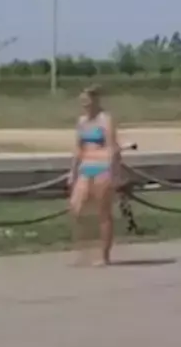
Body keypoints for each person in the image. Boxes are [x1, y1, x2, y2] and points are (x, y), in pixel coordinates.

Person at [68, 86, 119, 266]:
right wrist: (72, 171)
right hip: (86, 166)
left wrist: (113, 172)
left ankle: (104, 255)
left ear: (96, 100)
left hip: (102, 166)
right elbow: (78, 148)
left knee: (103, 212)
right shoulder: (81, 121)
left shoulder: (105, 120)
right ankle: (84, 248)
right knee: (76, 208)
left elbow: (112, 147)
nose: (85, 105)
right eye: (82, 102)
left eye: (88, 101)